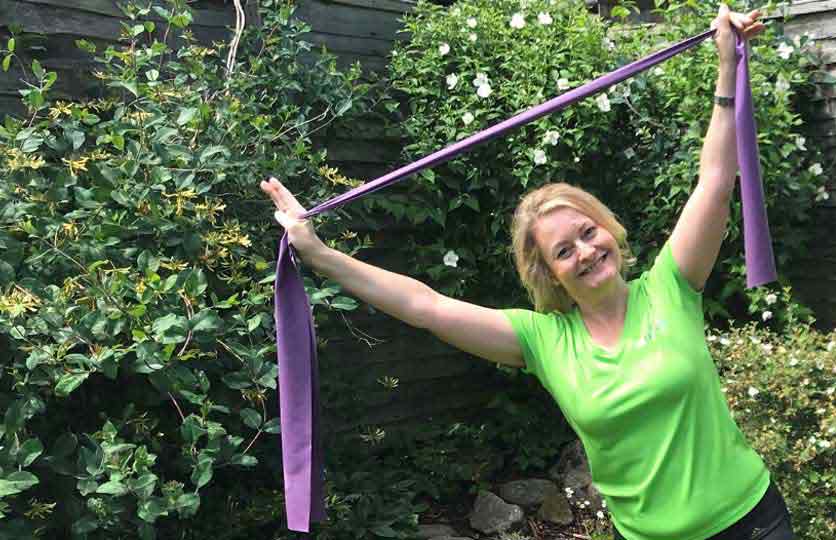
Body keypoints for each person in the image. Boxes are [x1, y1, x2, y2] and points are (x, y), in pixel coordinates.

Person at [260, 6, 793, 540]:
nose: (585, 253)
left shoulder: (672, 286)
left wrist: (727, 69)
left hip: (751, 520)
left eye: (589, 233)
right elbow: (426, 306)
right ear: (550, 274)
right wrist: (320, 254)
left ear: (609, 230)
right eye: (564, 252)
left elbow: (716, 182)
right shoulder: (543, 341)